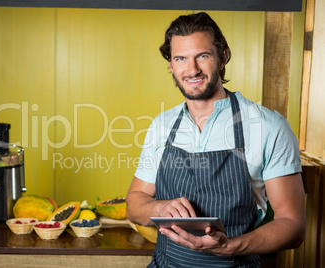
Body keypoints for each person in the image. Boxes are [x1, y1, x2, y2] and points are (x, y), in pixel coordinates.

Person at [126, 12, 306, 267]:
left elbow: (293, 225)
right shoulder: (162, 125)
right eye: (180, 58)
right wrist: (159, 209)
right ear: (170, 65)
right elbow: (134, 204)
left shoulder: (269, 126)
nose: (192, 70)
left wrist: (230, 246)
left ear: (223, 57)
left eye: (202, 55)